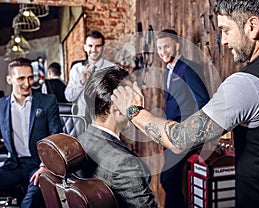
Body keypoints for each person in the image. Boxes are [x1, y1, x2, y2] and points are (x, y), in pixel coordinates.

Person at [111, 0, 259, 207]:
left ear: (252, 26)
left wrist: (134, 111)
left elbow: (180, 139)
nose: (225, 41)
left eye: (226, 30)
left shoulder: (246, 84)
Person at [78, 66, 157, 208]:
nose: (134, 103)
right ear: (114, 106)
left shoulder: (81, 139)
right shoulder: (125, 163)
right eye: (129, 99)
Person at [156, 29, 209, 207]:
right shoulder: (167, 72)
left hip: (186, 135)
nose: (162, 52)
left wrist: (192, 132)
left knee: (167, 179)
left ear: (177, 45)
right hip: (171, 133)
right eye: (159, 48)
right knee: (173, 181)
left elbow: (202, 101)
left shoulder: (188, 67)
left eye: (166, 47)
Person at [0, 58, 62, 207]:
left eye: (30, 77)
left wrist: (45, 166)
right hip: (14, 164)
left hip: (40, 164)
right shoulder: (1, 106)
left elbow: (56, 136)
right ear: (9, 79)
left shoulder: (48, 101)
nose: (27, 83)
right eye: (21, 78)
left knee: (32, 199)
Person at [64, 30, 115, 123]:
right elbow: (69, 97)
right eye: (90, 46)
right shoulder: (77, 69)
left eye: (98, 46)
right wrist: (82, 83)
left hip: (105, 121)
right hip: (81, 121)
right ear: (85, 47)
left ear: (103, 47)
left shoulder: (112, 69)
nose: (94, 50)